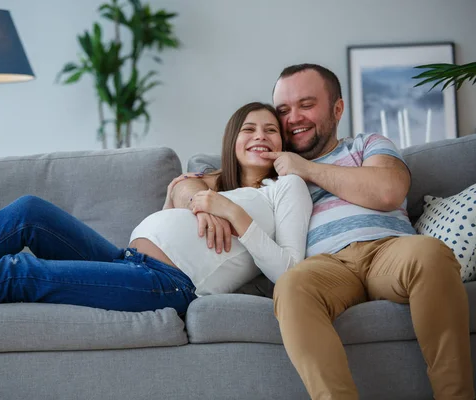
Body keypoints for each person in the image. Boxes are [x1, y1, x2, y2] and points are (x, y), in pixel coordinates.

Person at [170, 64, 474, 399]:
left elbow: (388, 190)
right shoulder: (267, 169)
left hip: (388, 250)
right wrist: (196, 200)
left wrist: (305, 168)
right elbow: (190, 184)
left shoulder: (365, 145)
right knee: (291, 285)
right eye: (284, 110)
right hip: (325, 266)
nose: (294, 117)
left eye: (306, 104)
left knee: (431, 253)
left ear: (337, 108)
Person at [0, 102, 312, 316]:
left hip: (170, 285)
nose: (260, 136)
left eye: (271, 130)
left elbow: (291, 274)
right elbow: (178, 201)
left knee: (20, 273)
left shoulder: (286, 188)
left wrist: (232, 214)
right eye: (249, 128)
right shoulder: (208, 181)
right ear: (232, 140)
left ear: (282, 143)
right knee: (29, 211)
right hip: (127, 258)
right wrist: (202, 198)